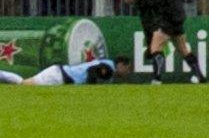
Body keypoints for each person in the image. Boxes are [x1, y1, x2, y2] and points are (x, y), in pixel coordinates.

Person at [124, 0, 205, 84]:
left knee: (155, 47)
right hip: (177, 14)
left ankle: (156, 79)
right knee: (183, 49)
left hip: (168, 16)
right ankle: (199, 76)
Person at [0, 56, 132, 86]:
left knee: (25, 84)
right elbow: (93, 70)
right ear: (121, 64)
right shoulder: (108, 68)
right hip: (60, 76)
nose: (128, 72)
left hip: (60, 74)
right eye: (128, 68)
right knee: (25, 85)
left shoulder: (106, 64)